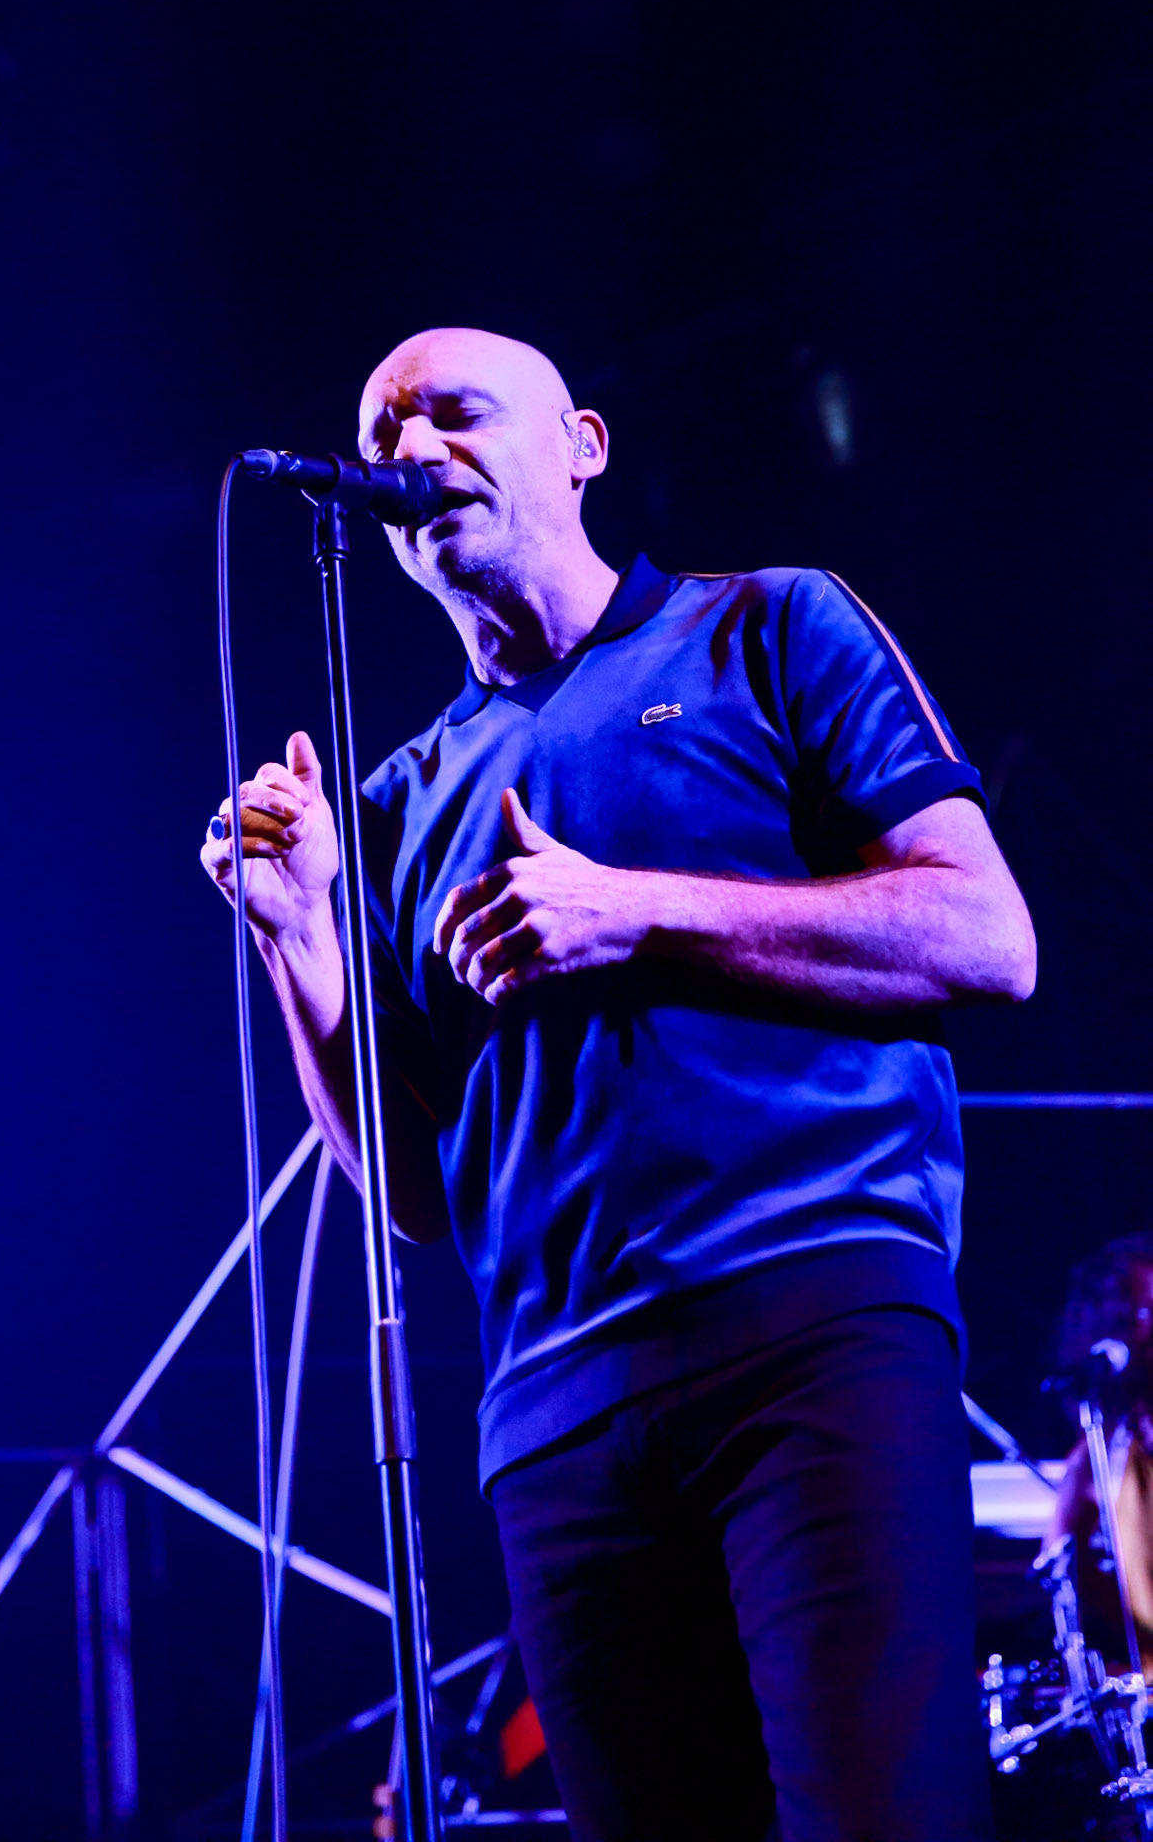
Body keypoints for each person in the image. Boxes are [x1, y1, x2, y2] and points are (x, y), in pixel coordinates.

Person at [201, 326, 1037, 1841]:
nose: (414, 450)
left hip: (810, 1322)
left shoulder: (765, 628)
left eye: (457, 413)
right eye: (387, 427)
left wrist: (633, 908)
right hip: (555, 1414)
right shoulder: (394, 800)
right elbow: (405, 1188)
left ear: (580, 445)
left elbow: (985, 940)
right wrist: (303, 940)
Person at [1047, 1233, 1153, 1674]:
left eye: (1142, 1312)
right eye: (1126, 1314)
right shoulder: (1104, 1448)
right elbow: (1059, 1559)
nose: (1136, 1326)